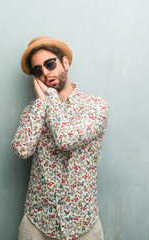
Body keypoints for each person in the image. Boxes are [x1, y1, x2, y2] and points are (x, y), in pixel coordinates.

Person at [11, 36, 110, 240]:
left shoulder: (96, 106)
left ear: (65, 62)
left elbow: (65, 139)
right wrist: (41, 104)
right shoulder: (33, 110)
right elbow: (22, 149)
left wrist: (51, 99)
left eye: (50, 64)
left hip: (83, 224)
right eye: (38, 70)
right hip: (37, 224)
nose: (46, 73)